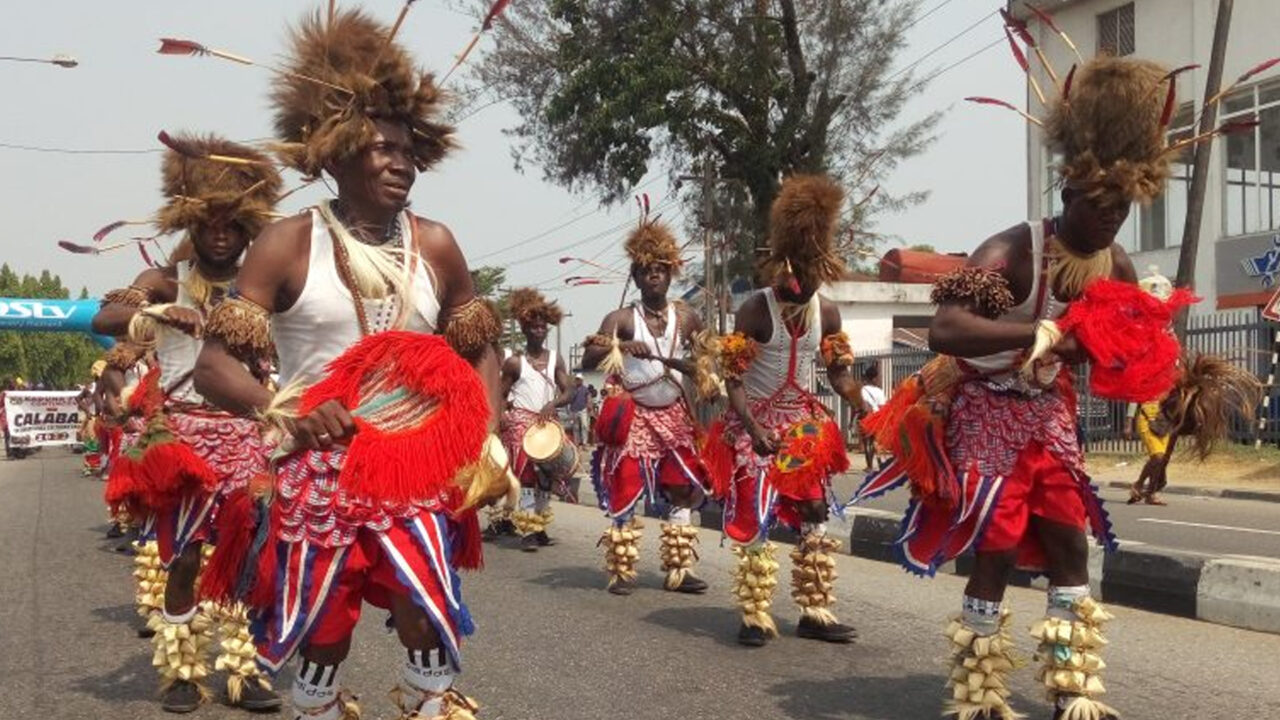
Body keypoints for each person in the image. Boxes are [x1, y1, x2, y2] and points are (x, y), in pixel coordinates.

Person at [849, 55, 1233, 720]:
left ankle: (1071, 691)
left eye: (1122, 208)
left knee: (1067, 540)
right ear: (1068, 195)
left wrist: (1171, 396)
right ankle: (980, 695)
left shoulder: (1114, 263)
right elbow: (946, 328)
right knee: (996, 548)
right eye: (1098, 206)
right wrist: (1032, 338)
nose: (1110, 220)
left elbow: (1121, 351)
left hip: (1050, 415)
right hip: (983, 408)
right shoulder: (1013, 250)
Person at [191, 8, 503, 719]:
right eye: (381, 149)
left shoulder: (438, 244)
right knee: (326, 638)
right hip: (319, 470)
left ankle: (430, 706)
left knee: (426, 612)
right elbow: (213, 367)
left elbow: (481, 344)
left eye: (407, 150)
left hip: (416, 466)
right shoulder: (287, 243)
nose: (401, 162)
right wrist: (291, 410)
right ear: (335, 156)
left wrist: (484, 435)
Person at [91, 132, 283, 713]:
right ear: (192, 226)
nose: (220, 234)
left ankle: (243, 667)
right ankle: (181, 670)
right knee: (185, 556)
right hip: (185, 440)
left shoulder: (263, 285)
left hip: (249, 438)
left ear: (249, 228)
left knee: (247, 557)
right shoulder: (165, 281)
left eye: (232, 224)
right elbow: (106, 314)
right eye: (209, 224)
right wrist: (156, 310)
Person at [702, 174, 862, 647]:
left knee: (814, 505)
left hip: (801, 426)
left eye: (814, 273)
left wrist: (861, 402)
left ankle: (815, 609)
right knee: (757, 509)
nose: (804, 281)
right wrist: (751, 429)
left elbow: (838, 374)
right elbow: (733, 381)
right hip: (755, 423)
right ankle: (754, 613)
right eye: (799, 271)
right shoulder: (755, 310)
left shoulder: (827, 313)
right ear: (785, 264)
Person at [581, 217, 711, 596]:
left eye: (660, 270)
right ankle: (622, 568)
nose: (654, 276)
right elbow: (589, 358)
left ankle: (679, 569)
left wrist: (702, 376)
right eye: (646, 271)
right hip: (634, 413)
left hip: (673, 414)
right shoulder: (621, 318)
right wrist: (619, 346)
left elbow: (707, 360)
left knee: (683, 487)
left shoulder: (686, 317)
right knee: (627, 486)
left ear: (671, 275)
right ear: (636, 278)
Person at [497, 288, 573, 551]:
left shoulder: (555, 359)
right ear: (525, 330)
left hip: (546, 423)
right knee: (527, 476)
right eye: (533, 327)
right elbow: (500, 394)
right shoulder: (515, 363)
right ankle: (527, 530)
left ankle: (540, 526)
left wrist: (553, 404)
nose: (538, 331)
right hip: (520, 424)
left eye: (542, 327)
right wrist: (502, 417)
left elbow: (569, 390)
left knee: (546, 477)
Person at [858, 365, 885, 470]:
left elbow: (860, 405)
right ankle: (879, 462)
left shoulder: (862, 390)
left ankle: (869, 465)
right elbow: (882, 407)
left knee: (866, 442)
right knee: (875, 440)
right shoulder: (880, 391)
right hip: (877, 417)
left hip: (866, 417)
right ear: (874, 378)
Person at [568, 374, 590, 444]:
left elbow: (588, 397)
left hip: (582, 409)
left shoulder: (585, 389)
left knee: (584, 426)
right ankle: (577, 442)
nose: (577, 381)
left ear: (582, 380)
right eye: (576, 379)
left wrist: (589, 405)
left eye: (579, 379)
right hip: (574, 410)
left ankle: (584, 443)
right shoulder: (572, 389)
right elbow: (569, 398)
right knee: (575, 427)